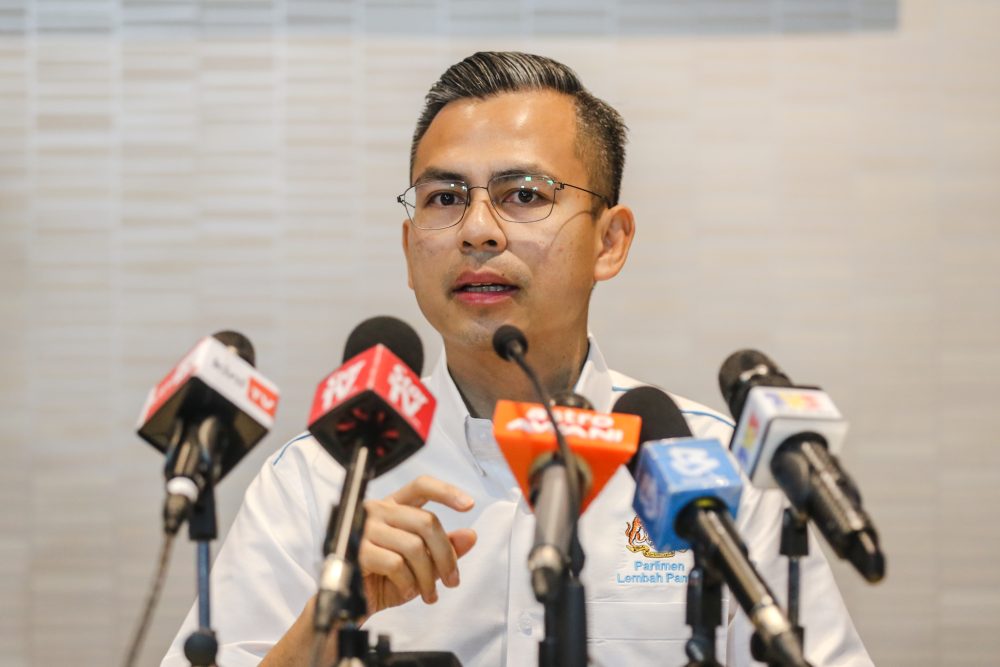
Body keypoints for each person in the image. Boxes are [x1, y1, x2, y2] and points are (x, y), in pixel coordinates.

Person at [162, 51, 872, 666]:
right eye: (444, 198)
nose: (476, 230)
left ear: (610, 240)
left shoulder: (712, 471)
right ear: (410, 251)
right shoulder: (324, 480)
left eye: (523, 195)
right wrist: (326, 618)